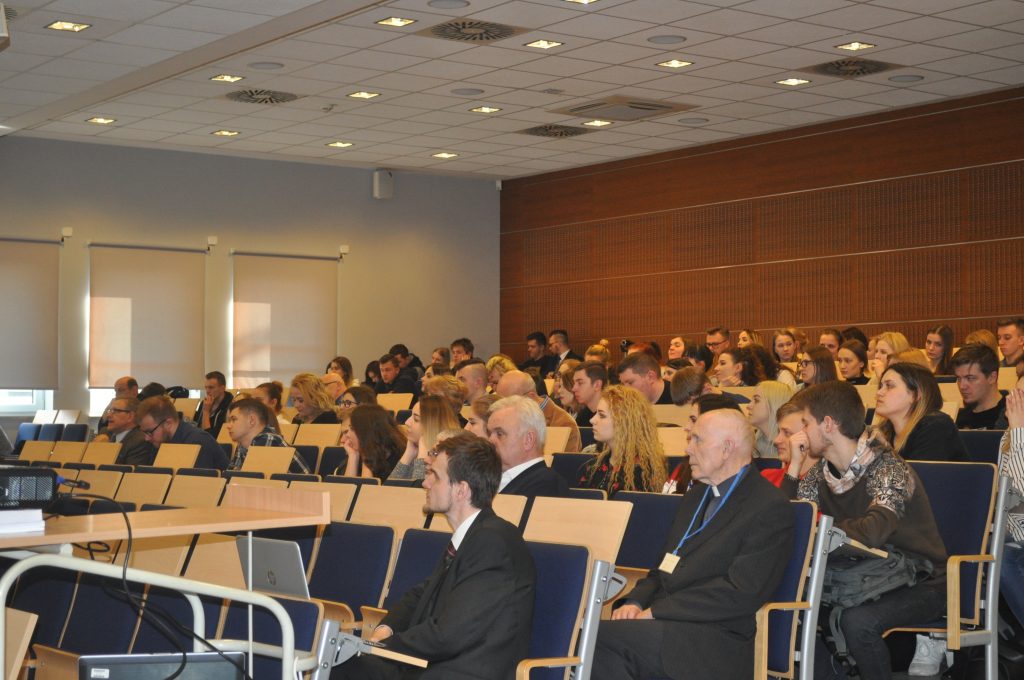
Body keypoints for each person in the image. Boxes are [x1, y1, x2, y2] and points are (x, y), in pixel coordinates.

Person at [592, 408, 795, 680]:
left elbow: (741, 591)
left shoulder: (768, 506)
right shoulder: (695, 496)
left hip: (714, 639)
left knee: (598, 640)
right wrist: (637, 601)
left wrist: (656, 611)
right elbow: (662, 568)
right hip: (667, 628)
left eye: (698, 440)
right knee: (595, 641)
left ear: (727, 448)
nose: (688, 449)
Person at [332, 432, 535, 680]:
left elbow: (449, 634)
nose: (425, 483)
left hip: (464, 672)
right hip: (440, 666)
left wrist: (382, 647)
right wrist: (386, 629)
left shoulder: (493, 542)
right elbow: (422, 594)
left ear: (461, 490)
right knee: (340, 662)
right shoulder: (477, 535)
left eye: (434, 476)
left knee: (343, 666)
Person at [781, 381, 947, 680]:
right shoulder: (820, 473)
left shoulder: (889, 468)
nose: (800, 433)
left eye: (805, 423)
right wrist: (794, 467)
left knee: (857, 622)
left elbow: (874, 531)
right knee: (790, 607)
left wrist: (823, 530)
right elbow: (786, 523)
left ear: (828, 424)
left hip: (920, 579)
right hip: (858, 574)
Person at [577, 384, 667, 495]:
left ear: (623, 422)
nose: (592, 420)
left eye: (602, 415)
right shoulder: (593, 466)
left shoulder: (642, 473)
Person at [875, 362, 967, 462]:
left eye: (889, 386)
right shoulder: (883, 431)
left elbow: (922, 471)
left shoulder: (936, 426)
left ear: (916, 395)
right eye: (881, 386)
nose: (879, 392)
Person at [487, 395, 568, 498]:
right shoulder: (488, 477)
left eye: (499, 434)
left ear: (528, 440)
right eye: (489, 433)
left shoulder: (547, 485)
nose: (490, 440)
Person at [495, 370, 581, 452]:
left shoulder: (564, 424)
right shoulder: (501, 422)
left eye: (509, 402)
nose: (502, 409)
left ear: (530, 397)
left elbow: (562, 462)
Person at [137, 395, 229, 470]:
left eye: (149, 432)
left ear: (168, 423)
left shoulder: (197, 442)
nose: (146, 438)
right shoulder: (159, 442)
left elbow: (199, 485)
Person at [998, 388, 1024, 633]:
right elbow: (1006, 494)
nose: (1014, 401)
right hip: (1014, 532)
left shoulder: (1015, 433)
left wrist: (1019, 433)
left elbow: (1019, 492)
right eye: (1015, 393)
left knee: (1004, 557)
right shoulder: (1009, 436)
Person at [389, 395, 460, 483]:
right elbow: (389, 487)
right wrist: (408, 455)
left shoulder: (446, 458)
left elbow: (418, 489)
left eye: (416, 419)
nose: (407, 422)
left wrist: (422, 458)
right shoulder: (414, 449)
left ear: (433, 426)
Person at [341, 403, 406, 480]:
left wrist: (366, 456)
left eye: (352, 429)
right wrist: (353, 456)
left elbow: (366, 487)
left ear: (368, 431)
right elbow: (347, 487)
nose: (348, 435)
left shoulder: (398, 458)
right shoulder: (357, 454)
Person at [952, 343, 1007, 430]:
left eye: (970, 378)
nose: (962, 386)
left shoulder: (1012, 416)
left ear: (992, 377)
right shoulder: (957, 419)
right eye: (958, 378)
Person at [761, 401, 817, 487]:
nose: (776, 440)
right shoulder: (768, 477)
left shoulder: (828, 485)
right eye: (779, 432)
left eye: (787, 433)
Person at [225, 398, 288, 470]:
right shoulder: (242, 445)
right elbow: (231, 474)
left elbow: (252, 476)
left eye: (234, 419)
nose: (228, 426)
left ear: (251, 420)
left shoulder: (268, 438)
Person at [92, 397, 155, 466]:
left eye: (115, 411)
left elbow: (129, 471)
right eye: (110, 410)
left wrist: (105, 450)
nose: (108, 415)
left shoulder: (140, 440)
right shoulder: (105, 433)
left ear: (130, 416)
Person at [747, 380, 795, 458]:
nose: (748, 406)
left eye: (756, 400)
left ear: (774, 405)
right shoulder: (753, 444)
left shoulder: (793, 449)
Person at [194, 371, 233, 438]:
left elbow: (210, 437)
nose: (207, 391)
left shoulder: (229, 406)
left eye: (211, 387)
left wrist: (206, 412)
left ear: (222, 388)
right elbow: (197, 427)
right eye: (206, 387)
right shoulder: (204, 402)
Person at [571, 361, 607, 426]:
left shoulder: (612, 416)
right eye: (574, 383)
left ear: (597, 385)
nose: (573, 389)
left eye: (580, 383)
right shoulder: (582, 416)